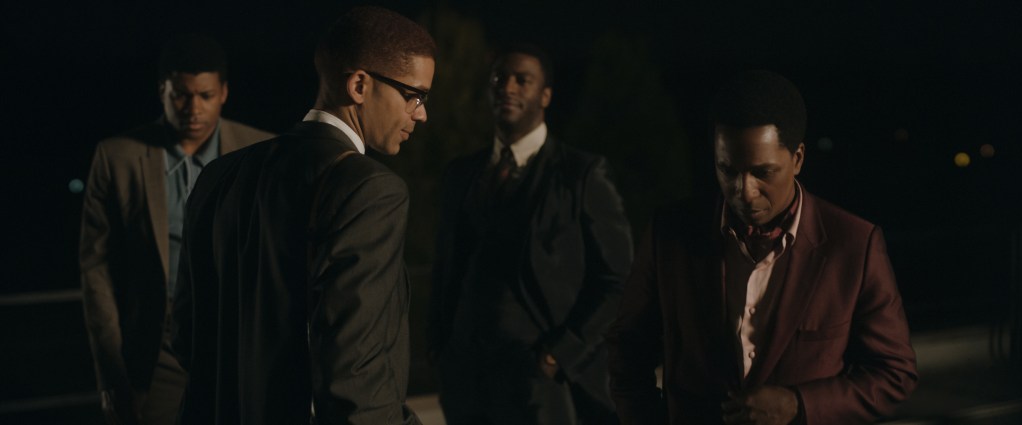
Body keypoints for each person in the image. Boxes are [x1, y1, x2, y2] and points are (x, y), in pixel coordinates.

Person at [169, 6, 435, 425]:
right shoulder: (370, 189)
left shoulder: (219, 174)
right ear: (360, 85)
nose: (420, 112)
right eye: (413, 95)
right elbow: (355, 378)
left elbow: (186, 337)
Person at [606, 70, 917, 424]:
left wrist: (799, 405)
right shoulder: (671, 233)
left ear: (798, 159)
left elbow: (894, 374)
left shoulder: (854, 245)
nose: (744, 191)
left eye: (763, 172)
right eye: (727, 170)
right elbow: (628, 346)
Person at [430, 44, 633, 425]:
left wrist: (561, 354)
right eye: (499, 78)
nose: (507, 87)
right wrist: (440, 350)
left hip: (541, 382)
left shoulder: (581, 174)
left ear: (545, 95)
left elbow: (617, 279)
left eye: (522, 80)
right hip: (467, 381)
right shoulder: (461, 173)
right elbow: (445, 268)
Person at [80, 34, 273, 425]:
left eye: (205, 95)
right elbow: (96, 270)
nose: (193, 109)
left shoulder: (261, 151)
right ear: (162, 92)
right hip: (154, 348)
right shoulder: (116, 157)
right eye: (181, 96)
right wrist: (111, 371)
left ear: (224, 93)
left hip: (234, 339)